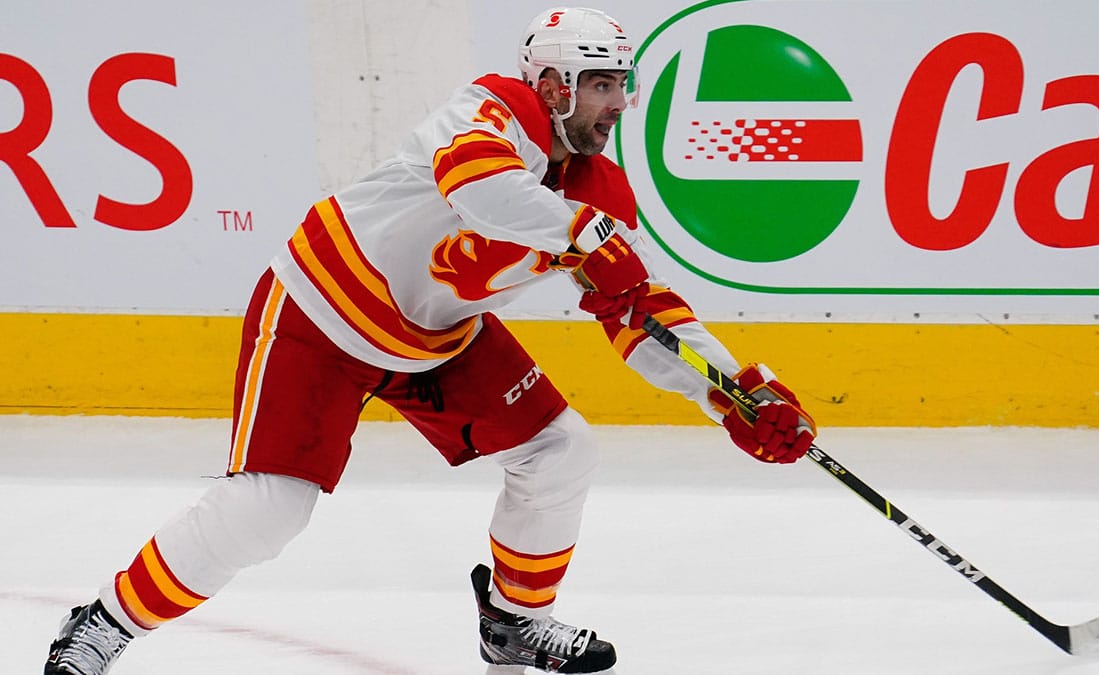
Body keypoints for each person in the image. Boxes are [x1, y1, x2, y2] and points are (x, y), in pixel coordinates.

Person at [44, 7, 816, 674]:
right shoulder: (489, 109)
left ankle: (513, 623)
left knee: (562, 449)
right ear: (554, 84)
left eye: (623, 85)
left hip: (436, 338)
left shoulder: (599, 191)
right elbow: (480, 192)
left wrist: (735, 394)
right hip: (323, 306)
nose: (619, 103)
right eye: (604, 84)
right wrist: (582, 233)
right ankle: (103, 623)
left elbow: (643, 314)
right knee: (270, 510)